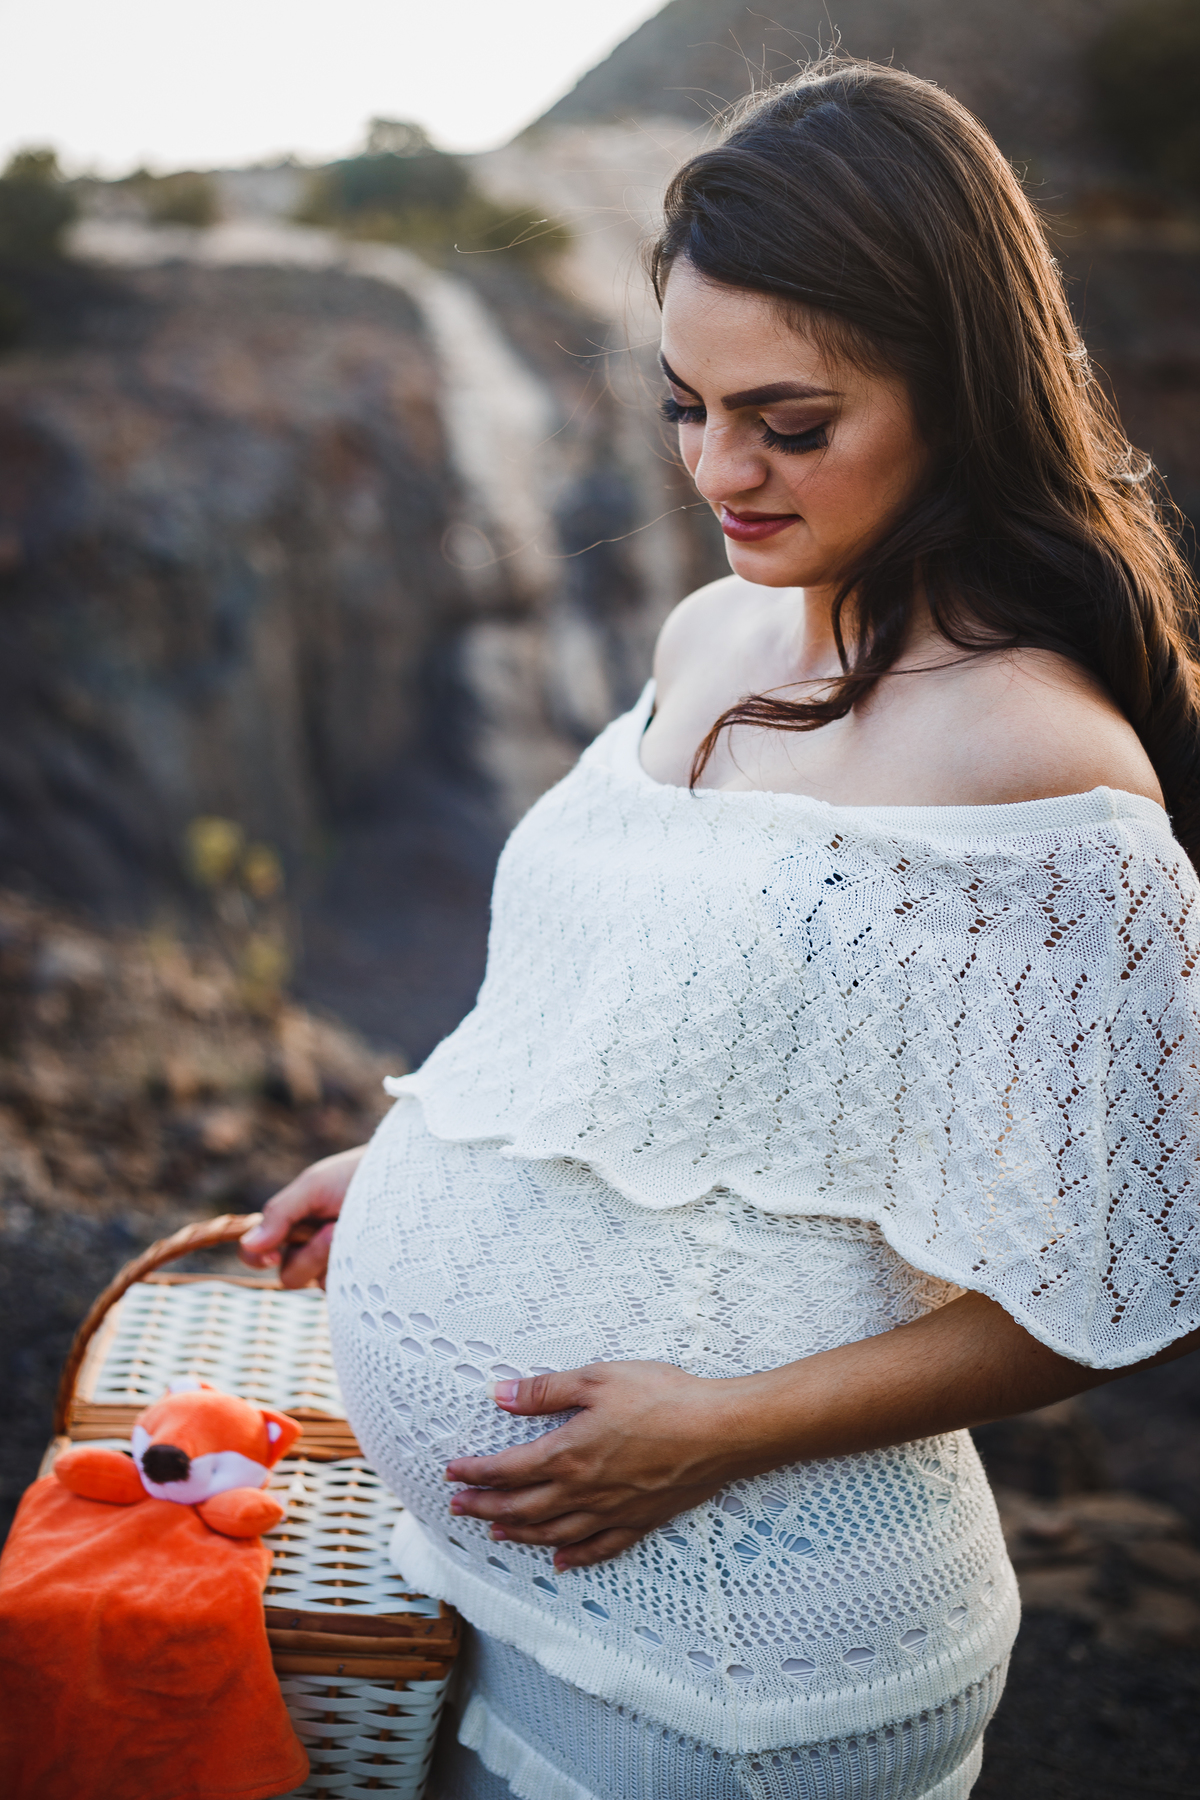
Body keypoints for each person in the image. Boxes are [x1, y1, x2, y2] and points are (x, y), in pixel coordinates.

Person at [241, 57, 1200, 1800]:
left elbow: (1128, 1279)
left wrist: (712, 1434)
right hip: (499, 1573)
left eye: (790, 421)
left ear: (957, 390)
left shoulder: (1035, 757)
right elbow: (614, 987)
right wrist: (425, 1147)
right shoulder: (715, 634)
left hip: (743, 1667)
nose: (717, 468)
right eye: (687, 405)